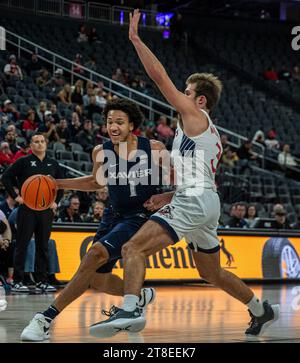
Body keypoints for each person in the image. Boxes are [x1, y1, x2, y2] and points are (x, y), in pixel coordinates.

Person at [92, 10, 280, 337]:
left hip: (194, 200)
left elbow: (159, 77)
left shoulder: (195, 116)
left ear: (200, 100)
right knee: (212, 272)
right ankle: (261, 310)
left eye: (187, 91)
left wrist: (136, 39)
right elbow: (195, 173)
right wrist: (169, 194)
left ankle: (129, 309)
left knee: (132, 249)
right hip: (203, 199)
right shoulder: (192, 131)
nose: (182, 94)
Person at [20, 98, 168, 341]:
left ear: (132, 125)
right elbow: (96, 182)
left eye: (119, 122)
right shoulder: (101, 151)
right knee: (98, 280)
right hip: (113, 215)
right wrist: (57, 184)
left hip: (139, 216)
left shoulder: (153, 148)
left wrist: (167, 196)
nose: (113, 126)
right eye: (109, 122)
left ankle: (45, 318)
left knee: (94, 254)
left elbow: (178, 177)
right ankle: (138, 297)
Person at [2, 133, 64, 293]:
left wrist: (56, 201)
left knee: (43, 245)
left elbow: (61, 184)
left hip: (45, 210)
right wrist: (16, 196)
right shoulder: (23, 162)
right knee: (22, 244)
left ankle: (41, 280)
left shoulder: (53, 164)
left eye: (42, 141)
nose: (40, 144)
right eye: (36, 142)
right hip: (27, 209)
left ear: (46, 144)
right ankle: (17, 280)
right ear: (31, 145)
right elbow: (6, 177)